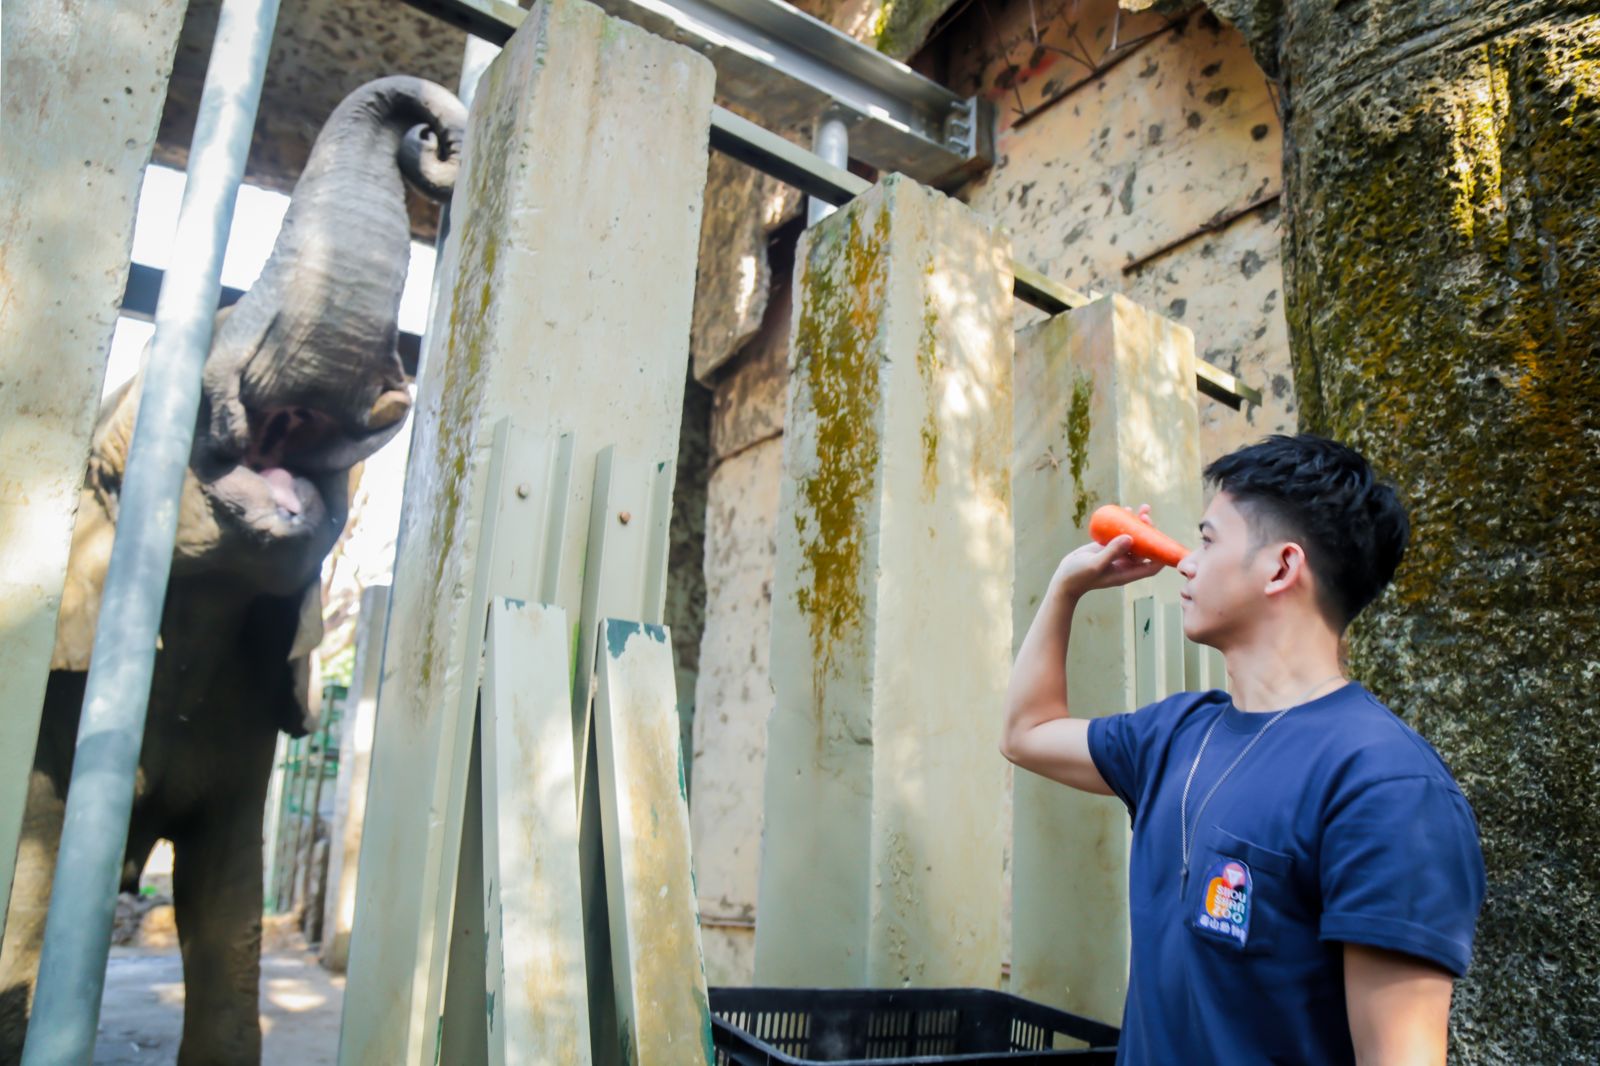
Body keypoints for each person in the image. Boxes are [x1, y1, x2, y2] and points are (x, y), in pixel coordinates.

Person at [1002, 434, 1485, 1065]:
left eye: (1207, 540)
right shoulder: (1173, 736)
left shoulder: (1387, 788)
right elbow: (1027, 732)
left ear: (1281, 568)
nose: (1187, 563)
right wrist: (1067, 585)